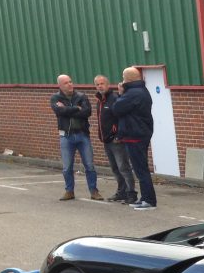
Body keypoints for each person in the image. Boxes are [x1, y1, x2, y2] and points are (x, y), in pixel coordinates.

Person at [50, 74, 102, 201]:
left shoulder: (81, 96)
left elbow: (87, 112)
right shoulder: (55, 98)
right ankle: (69, 191)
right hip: (66, 137)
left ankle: (94, 191)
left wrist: (68, 109)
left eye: (70, 81)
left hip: (82, 135)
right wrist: (76, 108)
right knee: (67, 166)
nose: (70, 84)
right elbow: (59, 112)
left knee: (89, 165)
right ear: (60, 85)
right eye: (66, 83)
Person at [112, 66, 156, 210]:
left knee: (140, 169)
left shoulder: (132, 93)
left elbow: (117, 109)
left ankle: (149, 200)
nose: (122, 80)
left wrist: (120, 94)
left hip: (135, 135)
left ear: (128, 79)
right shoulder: (141, 91)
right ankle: (144, 197)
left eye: (124, 78)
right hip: (139, 133)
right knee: (140, 168)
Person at [93, 74, 136, 204]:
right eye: (97, 84)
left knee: (124, 167)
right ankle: (121, 192)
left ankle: (131, 194)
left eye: (102, 83)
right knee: (115, 169)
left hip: (117, 141)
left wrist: (118, 135)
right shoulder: (100, 101)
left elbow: (122, 119)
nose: (100, 86)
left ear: (108, 84)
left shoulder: (114, 99)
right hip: (106, 141)